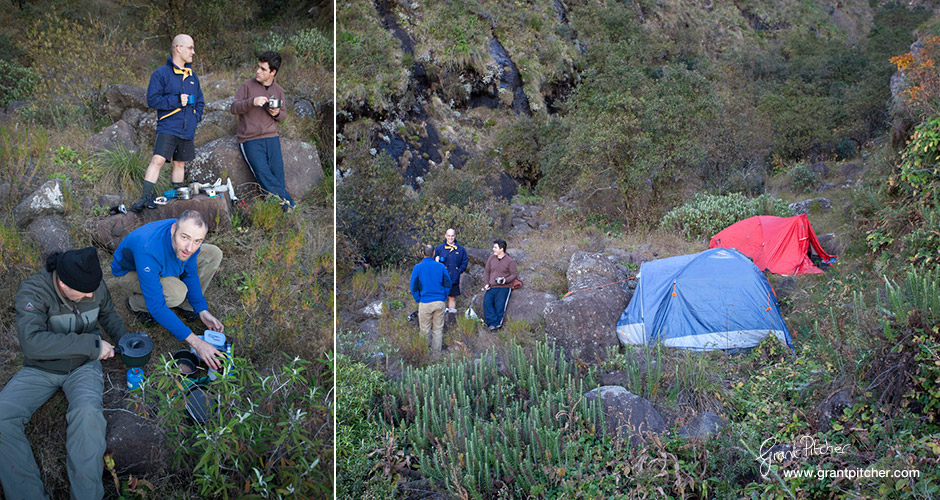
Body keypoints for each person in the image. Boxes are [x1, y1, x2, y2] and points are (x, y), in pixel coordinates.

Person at [0, 247, 127, 499]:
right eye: (84, 291)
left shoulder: (94, 285)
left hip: (82, 366)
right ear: (61, 281)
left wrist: (128, 342)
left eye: (93, 287)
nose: (91, 293)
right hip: (40, 368)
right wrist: (92, 346)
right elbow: (32, 343)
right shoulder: (34, 290)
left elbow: (108, 314)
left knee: (87, 414)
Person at [110, 211, 224, 369]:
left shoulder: (190, 238)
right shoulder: (148, 249)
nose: (190, 247)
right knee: (176, 293)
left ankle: (187, 307)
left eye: (198, 241)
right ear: (173, 230)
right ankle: (134, 303)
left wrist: (202, 309)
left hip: (161, 261)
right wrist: (196, 342)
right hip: (129, 272)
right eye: (184, 238)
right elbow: (156, 307)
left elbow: (190, 272)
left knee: (213, 253)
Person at [131, 34, 204, 212]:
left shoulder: (192, 76)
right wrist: (177, 100)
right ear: (179, 48)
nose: (193, 52)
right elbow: (153, 101)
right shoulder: (160, 74)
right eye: (190, 48)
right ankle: (144, 197)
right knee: (158, 159)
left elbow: (200, 102)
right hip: (168, 126)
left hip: (187, 128)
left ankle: (178, 196)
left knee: (180, 163)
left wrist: (195, 117)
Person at [230, 51, 294, 211]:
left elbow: (283, 115)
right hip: (250, 139)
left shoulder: (278, 90)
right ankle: (289, 206)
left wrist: (276, 113)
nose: (258, 71)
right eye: (258, 67)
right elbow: (234, 108)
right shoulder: (246, 86)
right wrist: (252, 102)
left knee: (278, 177)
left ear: (273, 72)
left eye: (263, 69)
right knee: (264, 175)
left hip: (272, 137)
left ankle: (278, 211)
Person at [410, 244, 452, 360]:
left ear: (423, 253)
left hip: (425, 302)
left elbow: (413, 286)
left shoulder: (418, 268)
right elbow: (448, 283)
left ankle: (423, 355)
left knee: (424, 330)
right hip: (439, 301)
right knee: (438, 330)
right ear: (434, 253)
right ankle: (436, 356)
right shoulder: (441, 267)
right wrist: (443, 296)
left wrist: (418, 299)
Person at [434, 228, 469, 319]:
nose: (450, 238)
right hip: (441, 278)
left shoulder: (460, 249)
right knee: (440, 297)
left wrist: (458, 271)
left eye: (452, 235)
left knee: (452, 297)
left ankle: (451, 318)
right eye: (448, 235)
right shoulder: (439, 248)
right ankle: (440, 317)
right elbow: (433, 262)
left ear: (455, 236)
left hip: (454, 278)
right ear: (445, 236)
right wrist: (436, 262)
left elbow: (465, 262)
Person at [483, 239, 517, 331]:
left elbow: (514, 274)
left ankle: (497, 326)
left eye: (495, 247)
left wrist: (505, 280)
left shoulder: (510, 261)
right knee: (487, 303)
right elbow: (486, 271)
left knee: (500, 306)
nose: (493, 249)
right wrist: (486, 283)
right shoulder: (491, 258)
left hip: (504, 287)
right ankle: (493, 324)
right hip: (491, 286)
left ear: (501, 249)